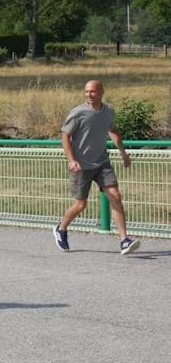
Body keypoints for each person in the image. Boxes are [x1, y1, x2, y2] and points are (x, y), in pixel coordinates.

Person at [53, 80, 140, 255]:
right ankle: (61, 229)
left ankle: (124, 240)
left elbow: (113, 130)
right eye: (86, 92)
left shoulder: (108, 111)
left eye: (92, 91)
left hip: (102, 162)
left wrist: (123, 152)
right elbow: (65, 137)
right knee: (80, 204)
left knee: (115, 196)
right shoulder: (78, 113)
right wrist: (71, 160)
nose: (88, 95)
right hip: (81, 165)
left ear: (101, 92)